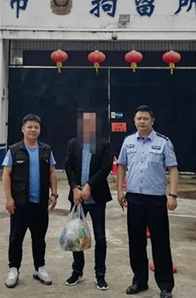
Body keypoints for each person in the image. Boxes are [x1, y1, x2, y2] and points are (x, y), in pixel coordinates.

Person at [117, 105, 179, 298]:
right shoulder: (128, 142)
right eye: (139, 119)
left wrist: (173, 195)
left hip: (156, 201)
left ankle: (165, 286)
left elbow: (173, 169)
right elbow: (121, 166)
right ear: (134, 121)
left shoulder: (163, 142)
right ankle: (139, 281)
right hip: (134, 199)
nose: (142, 121)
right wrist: (120, 190)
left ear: (152, 121)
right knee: (136, 243)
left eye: (145, 118)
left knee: (160, 243)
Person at [2, 113, 58, 289]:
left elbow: (52, 172)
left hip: (40, 204)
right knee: (16, 238)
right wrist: (9, 199)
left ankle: (39, 268)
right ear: (23, 129)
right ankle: (13, 269)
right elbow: (6, 174)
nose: (33, 130)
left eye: (36, 127)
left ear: (40, 130)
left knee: (39, 238)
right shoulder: (14, 150)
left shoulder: (46, 150)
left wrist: (54, 194)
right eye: (30, 127)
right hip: (20, 204)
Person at [63, 111, 112, 291]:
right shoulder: (73, 143)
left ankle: (100, 275)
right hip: (77, 198)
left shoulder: (104, 144)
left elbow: (105, 167)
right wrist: (75, 187)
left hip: (97, 198)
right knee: (76, 236)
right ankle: (77, 271)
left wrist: (89, 185)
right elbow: (68, 166)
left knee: (100, 238)